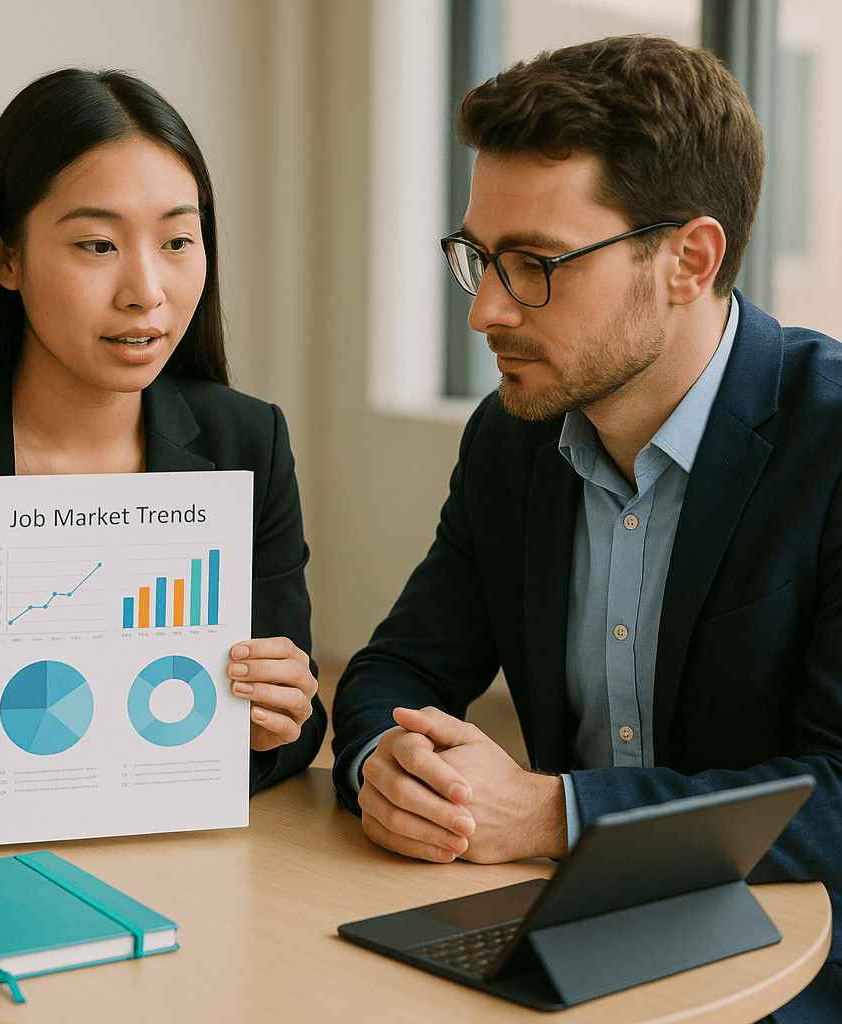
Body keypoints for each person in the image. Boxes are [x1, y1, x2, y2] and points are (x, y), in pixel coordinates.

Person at [332, 35, 840, 1021]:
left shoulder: (829, 440)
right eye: (479, 257)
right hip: (566, 948)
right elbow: (396, 668)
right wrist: (387, 770)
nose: (484, 308)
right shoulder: (512, 440)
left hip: (793, 971)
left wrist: (556, 813)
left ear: (688, 259)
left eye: (533, 265)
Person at [0, 69, 325, 826]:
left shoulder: (247, 441)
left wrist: (276, 718)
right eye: (96, 244)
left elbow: (296, 724)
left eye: (179, 241)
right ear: (7, 258)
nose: (146, 290)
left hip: (181, 870)